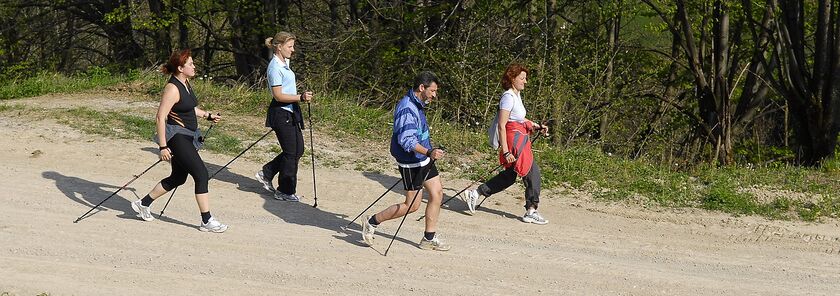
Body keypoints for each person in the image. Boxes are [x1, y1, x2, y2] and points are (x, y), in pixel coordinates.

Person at [129, 49, 228, 233]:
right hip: (176, 137)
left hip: (188, 135)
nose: (194, 66)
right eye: (190, 64)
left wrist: (208, 115)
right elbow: (160, 117)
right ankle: (206, 220)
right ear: (181, 68)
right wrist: (163, 146)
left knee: (178, 178)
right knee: (201, 174)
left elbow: (189, 108)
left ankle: (143, 203)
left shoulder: (186, 82)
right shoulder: (172, 88)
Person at [361, 71, 450, 251]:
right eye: (432, 91)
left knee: (437, 193)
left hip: (424, 158)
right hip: (411, 161)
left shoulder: (418, 104)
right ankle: (372, 221)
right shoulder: (407, 108)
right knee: (411, 206)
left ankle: (428, 238)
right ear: (421, 88)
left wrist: (429, 152)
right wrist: (429, 151)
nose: (434, 95)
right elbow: (406, 140)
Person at [463, 63, 549, 225]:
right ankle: (531, 210)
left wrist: (537, 126)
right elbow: (503, 125)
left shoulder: (516, 96)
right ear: (512, 78)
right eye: (522, 78)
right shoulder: (508, 97)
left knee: (509, 176)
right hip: (514, 142)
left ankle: (476, 193)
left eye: (525, 78)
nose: (525, 81)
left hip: (518, 138)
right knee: (533, 173)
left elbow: (519, 119)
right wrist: (507, 151)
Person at [254, 31, 314, 202]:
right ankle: (285, 191)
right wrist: (300, 97)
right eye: (290, 46)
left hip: (290, 111)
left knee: (298, 150)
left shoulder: (284, 63)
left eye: (293, 46)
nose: (293, 50)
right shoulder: (274, 67)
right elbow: (278, 96)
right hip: (280, 112)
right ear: (279, 47)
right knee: (291, 152)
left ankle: (267, 172)